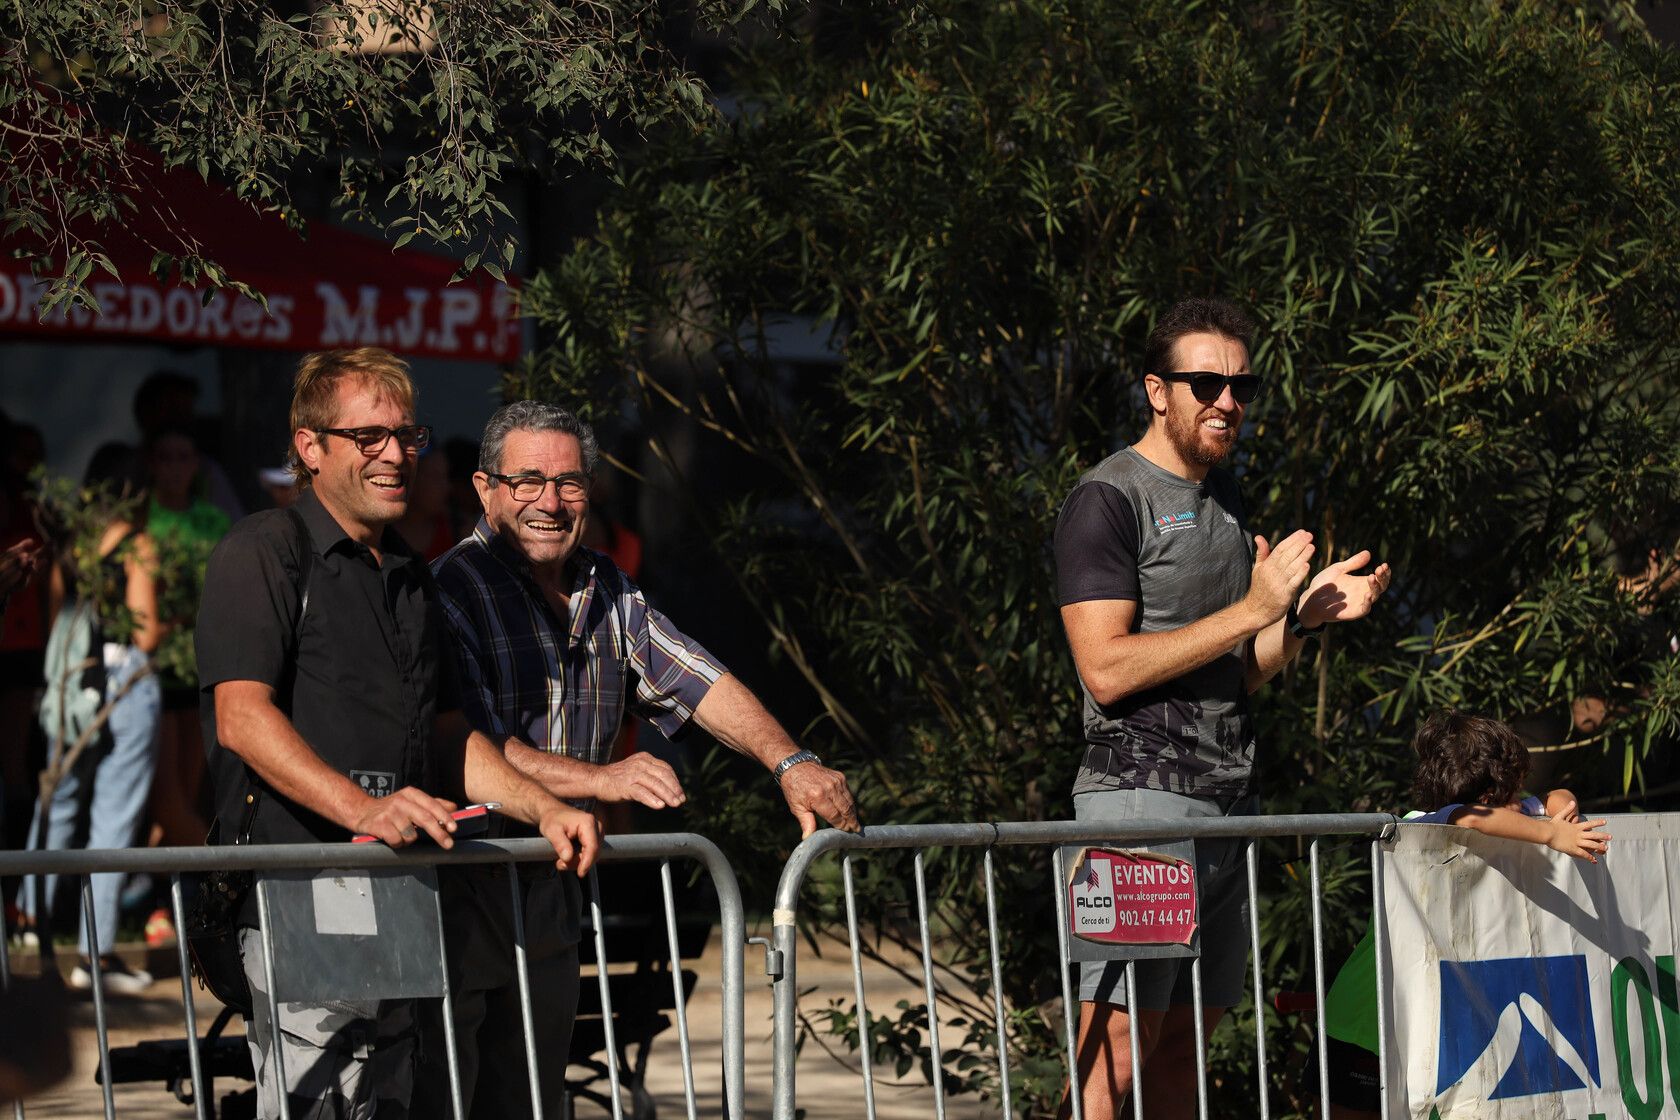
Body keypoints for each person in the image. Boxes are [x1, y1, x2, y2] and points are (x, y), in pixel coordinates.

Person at [418, 399, 860, 1119]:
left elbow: (700, 678)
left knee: (533, 1098)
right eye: (527, 481)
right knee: (448, 1098)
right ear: (485, 488)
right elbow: (478, 746)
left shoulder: (606, 586)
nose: (550, 502)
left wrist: (790, 761)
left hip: (554, 884)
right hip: (462, 890)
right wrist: (606, 777)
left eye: (569, 483)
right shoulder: (448, 590)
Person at [196, 349, 602, 1120]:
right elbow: (241, 718)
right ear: (310, 447)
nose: (394, 454)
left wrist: (542, 806)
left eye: (406, 436)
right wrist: (362, 810)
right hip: (302, 902)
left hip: (409, 908)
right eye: (368, 436)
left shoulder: (412, 574)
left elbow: (451, 736)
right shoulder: (265, 550)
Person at [1053, 297, 1393, 1120]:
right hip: (1137, 804)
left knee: (1182, 1053)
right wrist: (1252, 609)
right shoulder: (1107, 498)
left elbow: (1235, 676)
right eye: (1204, 381)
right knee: (1115, 1057)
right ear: (1156, 391)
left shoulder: (1226, 498)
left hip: (1227, 805)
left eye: (1242, 385)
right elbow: (1104, 669)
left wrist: (1300, 620)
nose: (1227, 401)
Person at [1321, 710, 1611, 1118]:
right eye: (1511, 790)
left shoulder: (1507, 813)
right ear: (1491, 797)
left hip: (1428, 1022)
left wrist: (1563, 806)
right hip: (1365, 1019)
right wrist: (1549, 833)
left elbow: (1550, 799)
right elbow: (1468, 818)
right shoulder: (1422, 827)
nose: (1521, 800)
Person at [26, 442, 163, 993]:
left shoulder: (72, 549)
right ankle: (95, 952)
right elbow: (146, 632)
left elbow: (57, 617)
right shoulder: (137, 545)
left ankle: (28, 920)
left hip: (72, 687)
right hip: (125, 685)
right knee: (113, 818)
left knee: (56, 802)